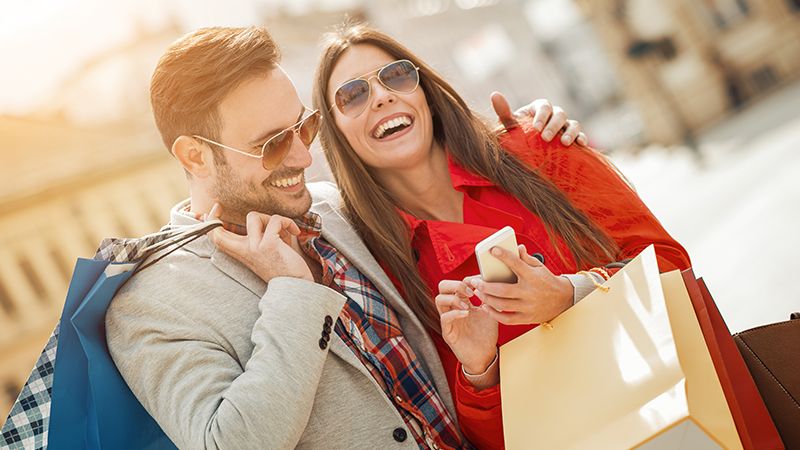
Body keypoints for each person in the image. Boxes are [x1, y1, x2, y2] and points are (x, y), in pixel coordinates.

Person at [104, 26, 584, 449]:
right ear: (194, 157)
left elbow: (437, 183)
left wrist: (529, 138)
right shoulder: (149, 304)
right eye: (271, 145)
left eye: (303, 127)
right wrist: (294, 294)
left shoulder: (333, 208)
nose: (302, 158)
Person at [311, 23, 692, 449]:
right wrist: (480, 368)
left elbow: (674, 266)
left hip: (680, 415)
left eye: (396, 75)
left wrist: (570, 294)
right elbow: (484, 440)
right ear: (336, 134)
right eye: (352, 95)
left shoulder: (540, 147)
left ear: (425, 93)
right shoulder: (384, 270)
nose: (381, 95)